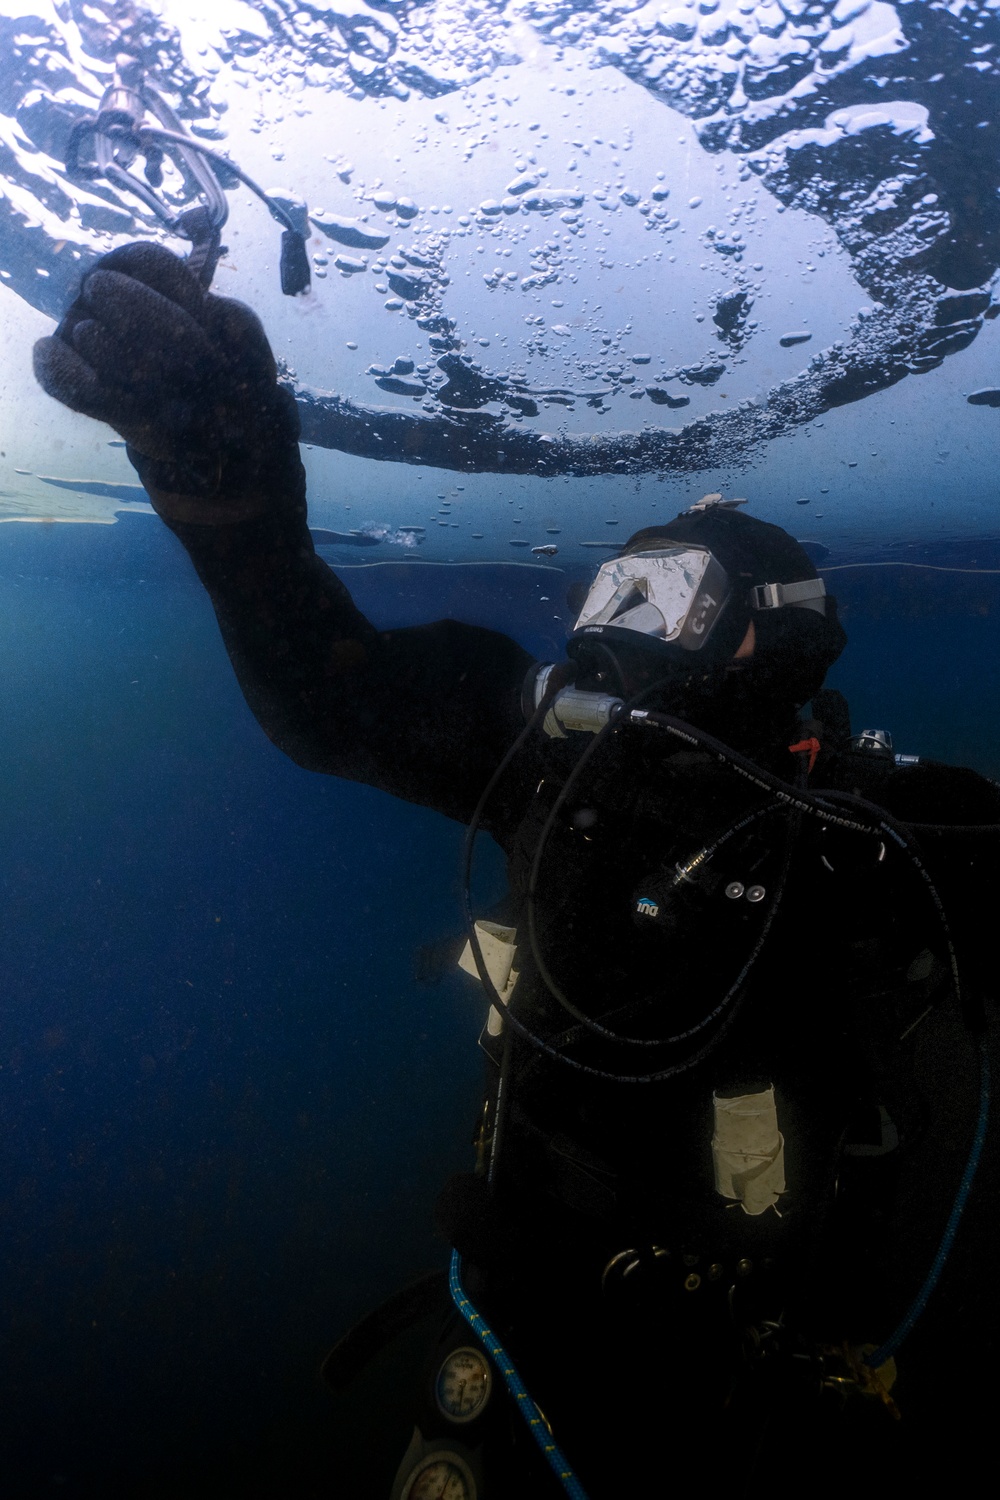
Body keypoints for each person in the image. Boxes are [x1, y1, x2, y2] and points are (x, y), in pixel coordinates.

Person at [34, 244, 1000, 1493]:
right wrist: (218, 474)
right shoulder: (542, 757)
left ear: (773, 637)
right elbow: (325, 701)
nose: (609, 632)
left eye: (661, 600)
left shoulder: (880, 832)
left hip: (766, 1356)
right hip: (517, 1303)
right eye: (610, 592)